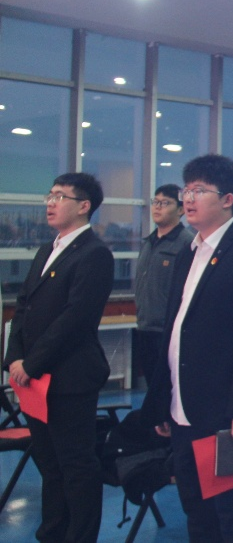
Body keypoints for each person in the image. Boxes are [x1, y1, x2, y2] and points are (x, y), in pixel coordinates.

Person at [144, 154, 233, 541]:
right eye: (186, 190)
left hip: (227, 414)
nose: (188, 198)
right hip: (184, 408)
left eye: (199, 190)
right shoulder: (189, 251)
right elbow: (175, 330)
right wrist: (163, 399)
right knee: (197, 510)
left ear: (228, 199)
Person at [4, 173, 113, 543]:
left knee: (76, 466)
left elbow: (75, 319)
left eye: (60, 197)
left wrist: (31, 363)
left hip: (69, 378)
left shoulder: (94, 253)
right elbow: (23, 305)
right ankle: (52, 533)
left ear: (84, 206)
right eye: (49, 195)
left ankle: (79, 536)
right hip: (34, 379)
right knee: (49, 464)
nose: (50, 203)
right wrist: (13, 358)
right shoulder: (47, 249)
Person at [133, 183, 194, 386]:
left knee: (168, 389)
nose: (157, 207)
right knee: (152, 388)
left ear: (181, 210)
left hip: (168, 332)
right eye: (155, 202)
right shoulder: (148, 242)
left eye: (165, 203)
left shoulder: (187, 243)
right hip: (145, 327)